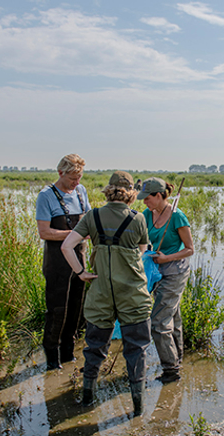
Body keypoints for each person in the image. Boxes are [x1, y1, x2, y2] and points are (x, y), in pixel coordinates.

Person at [61, 171, 152, 415]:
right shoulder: (139, 218)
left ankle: (87, 399)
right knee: (137, 349)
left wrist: (81, 272)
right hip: (133, 295)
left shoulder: (92, 216)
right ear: (131, 193)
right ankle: (137, 408)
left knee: (94, 349)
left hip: (100, 294)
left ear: (109, 190)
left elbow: (66, 245)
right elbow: (143, 249)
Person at [36, 154, 91, 370]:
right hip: (57, 260)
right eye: (72, 178)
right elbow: (44, 232)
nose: (76, 183)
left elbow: (86, 219)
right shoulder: (46, 196)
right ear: (60, 173)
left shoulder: (81, 191)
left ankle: (68, 352)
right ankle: (52, 358)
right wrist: (74, 234)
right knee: (57, 308)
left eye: (79, 178)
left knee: (77, 305)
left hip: (80, 257)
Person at [137, 177, 194, 384]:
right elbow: (143, 243)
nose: (144, 202)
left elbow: (190, 249)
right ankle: (177, 358)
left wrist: (166, 258)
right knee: (173, 317)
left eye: (148, 198)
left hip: (175, 272)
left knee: (159, 322)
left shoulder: (177, 216)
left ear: (160, 195)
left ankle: (171, 371)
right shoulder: (146, 215)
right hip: (156, 271)